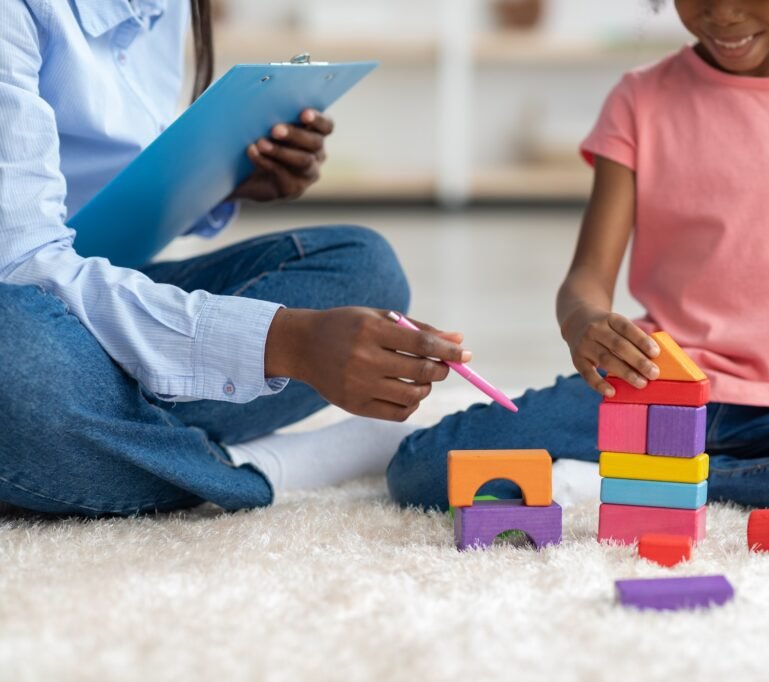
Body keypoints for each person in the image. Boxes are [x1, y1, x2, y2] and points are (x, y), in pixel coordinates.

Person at [386, 0, 769, 524]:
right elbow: (587, 278)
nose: (722, 13)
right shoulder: (640, 98)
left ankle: (643, 483)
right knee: (425, 469)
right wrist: (584, 324)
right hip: (657, 385)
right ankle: (709, 479)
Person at [0, 0, 467, 516]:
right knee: (17, 364)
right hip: (21, 305)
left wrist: (221, 183)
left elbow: (97, 211)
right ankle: (257, 467)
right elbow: (21, 265)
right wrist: (284, 341)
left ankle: (98, 442)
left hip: (81, 292)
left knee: (362, 268)